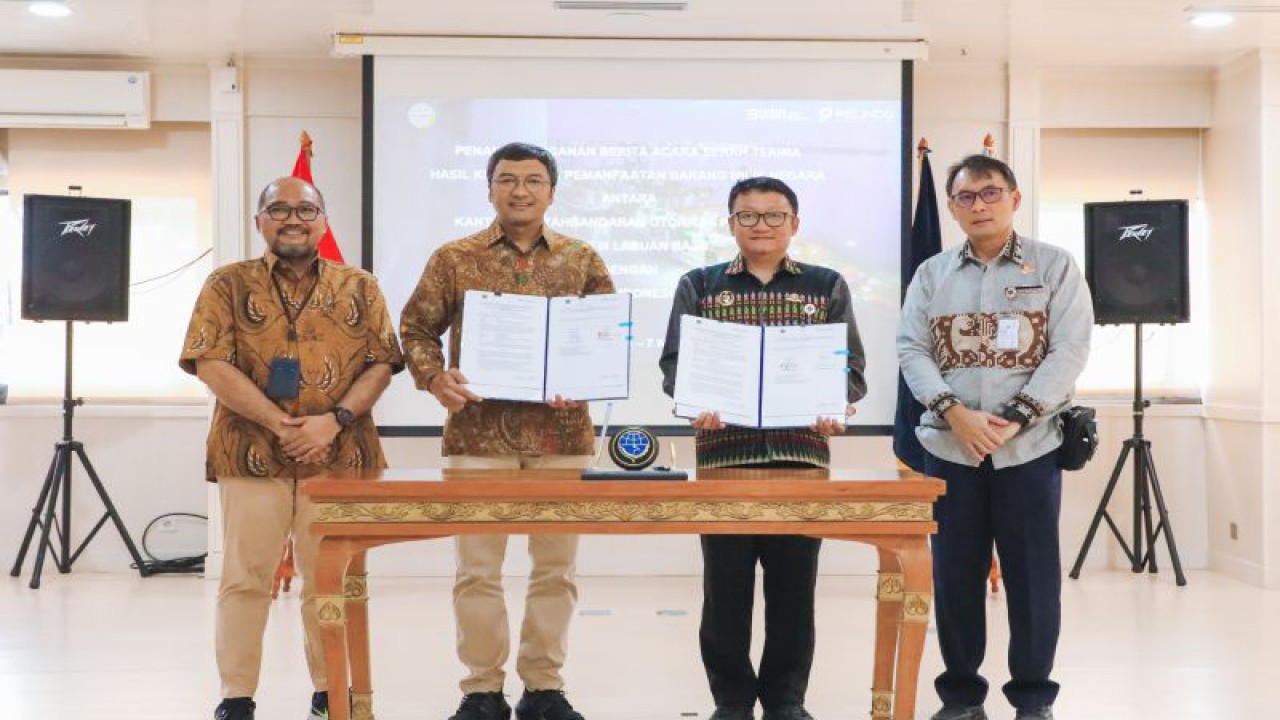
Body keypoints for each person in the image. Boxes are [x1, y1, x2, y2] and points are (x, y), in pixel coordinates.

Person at [400, 142, 614, 720]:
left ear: (552, 191)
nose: (520, 190)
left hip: (561, 437)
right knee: (477, 571)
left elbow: (603, 335)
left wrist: (586, 377)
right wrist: (434, 377)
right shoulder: (455, 258)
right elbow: (416, 328)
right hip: (477, 437)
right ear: (490, 188)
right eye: (508, 179)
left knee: (556, 570)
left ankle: (544, 687)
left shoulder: (581, 259)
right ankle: (482, 690)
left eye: (533, 180)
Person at [180, 176, 404, 720]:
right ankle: (236, 699)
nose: (293, 219)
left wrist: (333, 421)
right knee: (245, 578)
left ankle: (331, 694)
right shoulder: (227, 284)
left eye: (305, 209)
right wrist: (282, 425)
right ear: (260, 222)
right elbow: (210, 363)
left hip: (340, 456)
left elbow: (382, 363)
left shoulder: (360, 286)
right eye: (278, 209)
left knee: (334, 581)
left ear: (323, 221)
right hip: (251, 454)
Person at [658, 176, 868, 720]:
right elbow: (675, 365)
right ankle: (731, 700)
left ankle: (785, 699)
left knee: (793, 590)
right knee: (724, 589)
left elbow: (851, 369)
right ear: (731, 224)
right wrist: (694, 400)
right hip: (724, 461)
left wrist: (835, 402)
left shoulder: (826, 285)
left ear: (794, 224)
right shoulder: (699, 285)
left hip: (801, 461)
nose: (761, 226)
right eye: (747, 216)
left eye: (774, 215)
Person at [896, 155, 1093, 720]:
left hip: (1028, 450)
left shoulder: (1054, 265)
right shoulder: (931, 273)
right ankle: (961, 697)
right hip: (949, 448)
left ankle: (1033, 699)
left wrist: (1017, 417)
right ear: (952, 207)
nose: (979, 205)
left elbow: (1070, 349)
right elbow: (912, 348)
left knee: (1033, 580)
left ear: (1014, 198)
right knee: (955, 578)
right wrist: (955, 413)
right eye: (966, 197)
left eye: (990, 193)